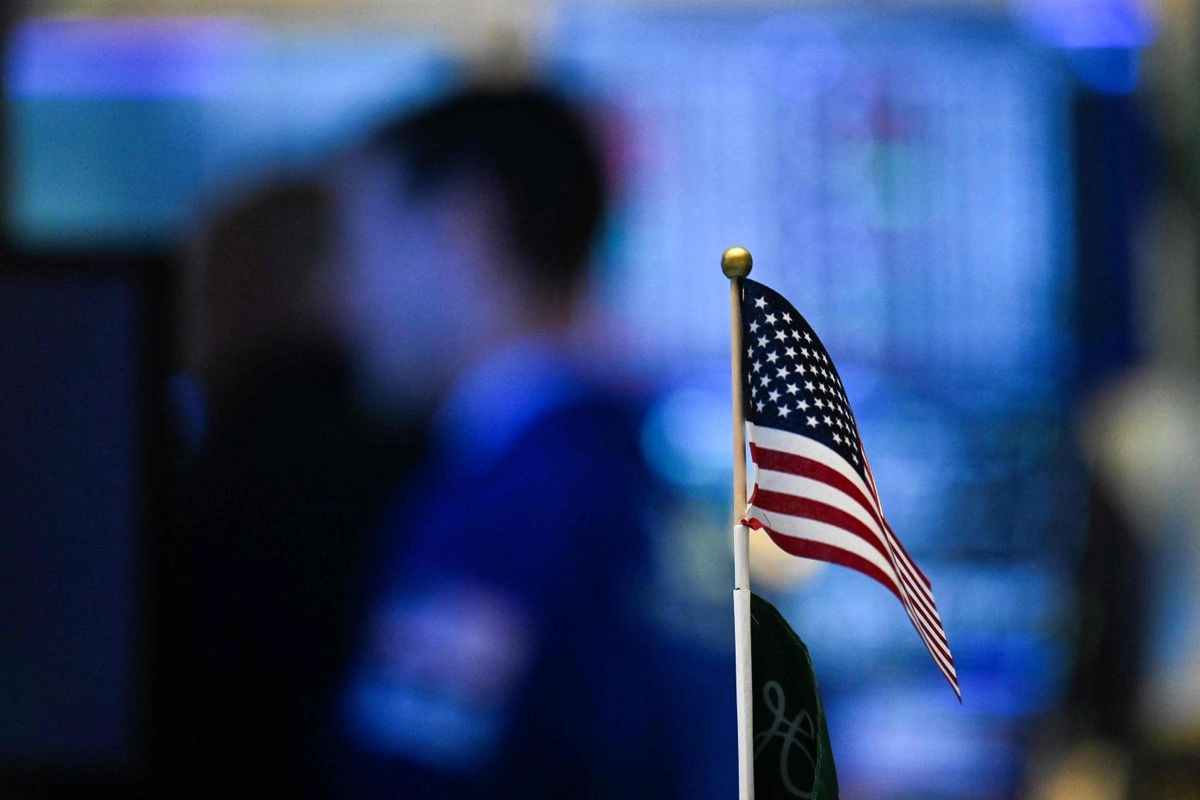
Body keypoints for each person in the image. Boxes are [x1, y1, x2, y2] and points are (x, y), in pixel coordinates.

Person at [329, 83, 684, 797]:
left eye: (364, 244)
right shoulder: (615, 461)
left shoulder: (510, 506)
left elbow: (410, 783)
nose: (347, 296)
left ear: (467, 225)